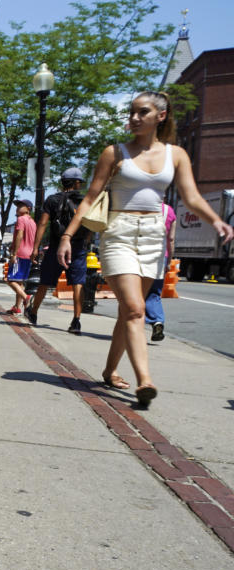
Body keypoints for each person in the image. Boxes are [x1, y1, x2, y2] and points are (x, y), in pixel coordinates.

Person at [58, 91, 234, 406]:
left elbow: (191, 196)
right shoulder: (115, 153)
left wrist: (217, 221)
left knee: (129, 311)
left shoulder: (176, 154)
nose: (135, 118)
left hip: (154, 234)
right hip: (119, 233)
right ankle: (145, 381)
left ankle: (110, 370)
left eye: (143, 112)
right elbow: (89, 197)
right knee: (136, 308)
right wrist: (67, 236)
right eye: (133, 112)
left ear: (160, 116)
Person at [25, 168, 90, 333]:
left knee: (44, 282)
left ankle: (33, 313)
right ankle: (76, 321)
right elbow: (90, 224)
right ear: (76, 183)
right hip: (77, 247)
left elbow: (43, 223)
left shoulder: (53, 200)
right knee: (78, 284)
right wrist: (85, 241)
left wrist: (35, 248)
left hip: (56, 247)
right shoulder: (85, 201)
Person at [144, 202, 176, 341]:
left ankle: (134, 328)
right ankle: (157, 321)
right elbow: (171, 239)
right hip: (161, 255)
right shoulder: (169, 211)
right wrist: (169, 260)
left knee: (137, 292)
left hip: (142, 254)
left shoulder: (143, 206)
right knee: (154, 292)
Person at [6, 199, 36, 314]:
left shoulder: (21, 219)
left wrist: (14, 253)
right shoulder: (32, 222)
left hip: (20, 253)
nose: (17, 208)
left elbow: (20, 235)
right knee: (19, 282)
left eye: (21, 206)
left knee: (10, 280)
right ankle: (16, 307)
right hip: (28, 254)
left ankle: (26, 297)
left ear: (28, 208)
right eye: (17, 206)